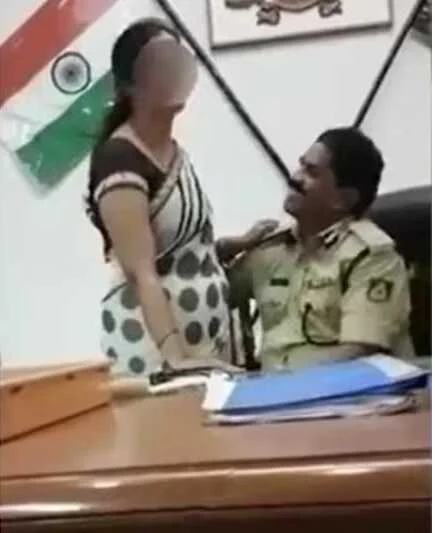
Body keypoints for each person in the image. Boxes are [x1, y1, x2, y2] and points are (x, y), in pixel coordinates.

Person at [85, 18, 265, 379]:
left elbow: (182, 252)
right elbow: (141, 272)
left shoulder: (176, 153)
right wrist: (176, 358)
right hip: (156, 350)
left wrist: (240, 243)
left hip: (206, 341)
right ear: (130, 85)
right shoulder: (119, 159)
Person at [225, 127, 413, 371]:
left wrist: (284, 382)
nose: (295, 178)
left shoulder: (371, 257)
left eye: (311, 173)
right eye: (301, 165)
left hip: (343, 391)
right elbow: (213, 294)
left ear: (343, 199)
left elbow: (359, 354)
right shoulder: (271, 247)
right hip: (270, 389)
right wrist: (227, 247)